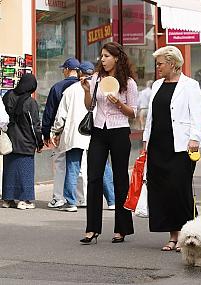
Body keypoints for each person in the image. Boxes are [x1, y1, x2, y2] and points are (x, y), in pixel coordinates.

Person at [142, 46, 201, 251]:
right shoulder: (157, 85)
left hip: (181, 146)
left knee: (180, 190)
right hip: (157, 145)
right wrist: (145, 140)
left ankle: (188, 235)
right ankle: (173, 236)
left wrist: (195, 138)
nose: (158, 67)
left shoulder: (190, 85)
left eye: (160, 63)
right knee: (162, 191)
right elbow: (151, 116)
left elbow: (197, 114)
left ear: (172, 63)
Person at [80, 42, 138, 244]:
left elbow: (133, 113)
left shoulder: (128, 83)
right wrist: (87, 91)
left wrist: (119, 103)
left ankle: (121, 229)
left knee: (120, 178)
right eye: (101, 56)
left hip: (120, 131)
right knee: (93, 176)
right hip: (98, 130)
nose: (102, 59)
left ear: (116, 58)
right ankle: (92, 229)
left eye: (106, 56)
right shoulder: (96, 78)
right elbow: (90, 106)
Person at [52, 61, 115, 211]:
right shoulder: (101, 89)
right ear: (92, 73)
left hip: (75, 134)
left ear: (80, 73)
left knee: (72, 167)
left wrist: (56, 131)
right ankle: (112, 200)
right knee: (104, 167)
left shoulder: (70, 91)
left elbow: (61, 115)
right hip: (97, 132)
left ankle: (71, 202)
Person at [42, 57, 80, 208]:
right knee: (79, 164)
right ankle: (80, 198)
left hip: (61, 131)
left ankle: (58, 198)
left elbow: (49, 113)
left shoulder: (57, 87)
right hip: (82, 132)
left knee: (60, 164)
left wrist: (46, 133)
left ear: (66, 70)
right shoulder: (84, 86)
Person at [2, 74, 44, 209]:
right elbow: (34, 125)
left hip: (9, 141)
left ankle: (7, 200)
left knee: (10, 170)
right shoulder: (30, 102)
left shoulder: (7, 96)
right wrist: (39, 143)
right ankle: (23, 200)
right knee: (25, 171)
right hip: (26, 142)